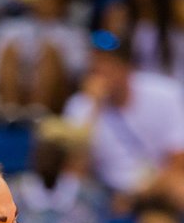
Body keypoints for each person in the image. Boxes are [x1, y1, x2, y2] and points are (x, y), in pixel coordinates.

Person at [64, 31, 184, 210]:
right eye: (95, 65)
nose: (100, 72)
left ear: (126, 67)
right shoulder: (80, 106)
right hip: (107, 192)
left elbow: (179, 160)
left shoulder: (165, 93)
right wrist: (94, 109)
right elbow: (74, 172)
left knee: (179, 188)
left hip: (157, 186)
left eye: (108, 63)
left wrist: (138, 195)